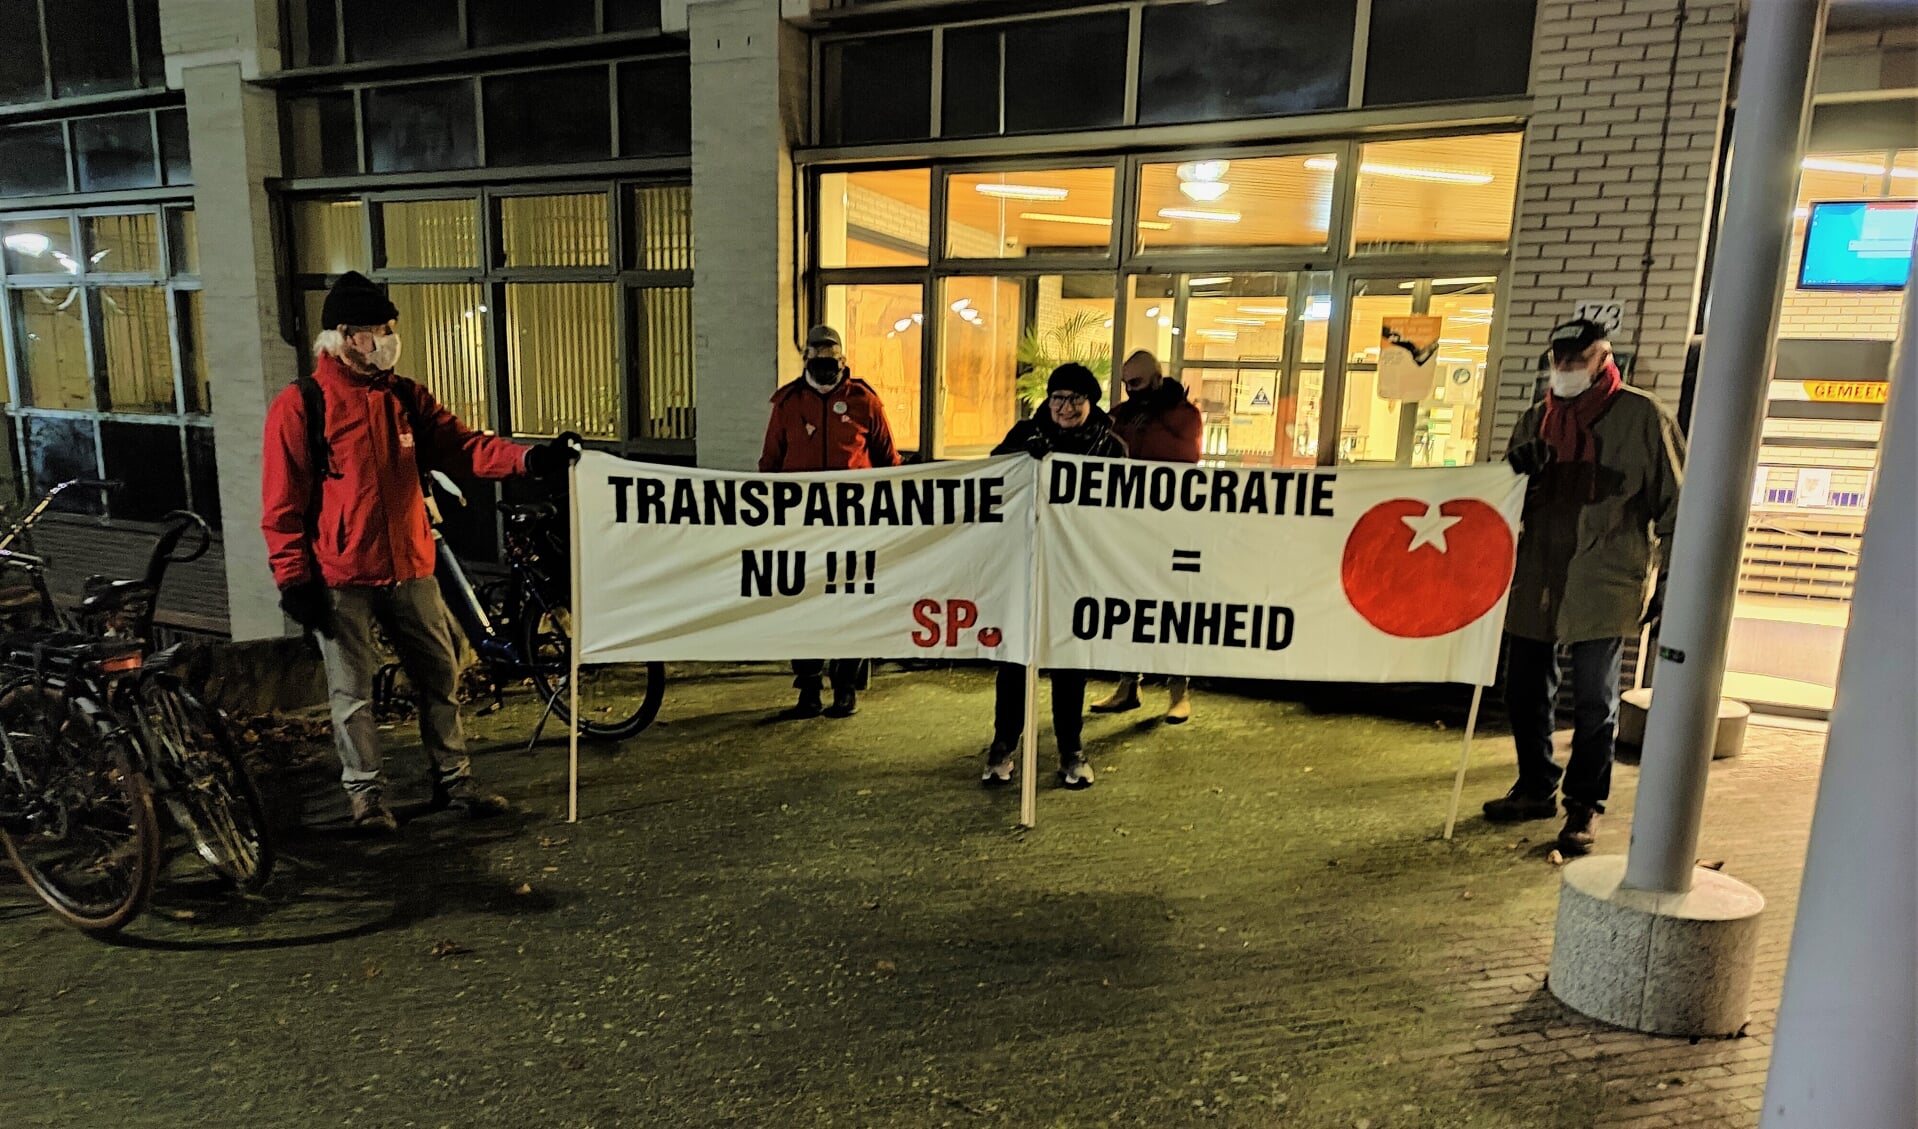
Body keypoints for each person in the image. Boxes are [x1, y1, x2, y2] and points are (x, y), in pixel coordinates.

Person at [262, 271, 575, 834]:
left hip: (410, 564)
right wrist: (293, 579)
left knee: (440, 676)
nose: (387, 337)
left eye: (388, 327)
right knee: (353, 693)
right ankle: (366, 797)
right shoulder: (302, 405)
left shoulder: (403, 397)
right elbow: (282, 502)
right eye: (376, 329)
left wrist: (529, 461)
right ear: (344, 334)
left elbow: (464, 446)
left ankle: (454, 779)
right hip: (341, 577)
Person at [1484, 318, 1684, 856]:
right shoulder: (1534, 421)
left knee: (1595, 701)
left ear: (1603, 358)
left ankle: (1584, 804)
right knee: (1524, 690)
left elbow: (1677, 505)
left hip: (1605, 577)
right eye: (1560, 359)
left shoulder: (1643, 418)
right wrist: (1513, 475)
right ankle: (1534, 785)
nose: (1567, 369)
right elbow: (1503, 507)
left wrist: (1673, 582)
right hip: (1537, 576)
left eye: (1578, 358)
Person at [982, 364, 1128, 791]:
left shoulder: (1110, 448)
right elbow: (991, 483)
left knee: (1070, 663)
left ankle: (1071, 749)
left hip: (1078, 569)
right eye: (1057, 398)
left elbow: (1125, 510)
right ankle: (1003, 745)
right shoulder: (1023, 435)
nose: (1064, 407)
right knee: (1014, 661)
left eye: (1075, 399)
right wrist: (1014, 458)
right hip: (1025, 564)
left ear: (1091, 403)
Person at [759, 324, 902, 720]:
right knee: (801, 604)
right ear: (805, 360)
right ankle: (807, 687)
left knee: (851, 604)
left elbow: (889, 463)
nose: (824, 366)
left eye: (831, 360)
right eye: (816, 359)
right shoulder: (788, 403)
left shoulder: (864, 401)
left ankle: (844, 686)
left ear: (843, 360)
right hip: (799, 525)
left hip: (854, 525)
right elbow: (770, 463)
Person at [1092, 349, 1204, 723]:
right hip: (1130, 523)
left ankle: (1178, 691)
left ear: (1156, 379)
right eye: (1125, 384)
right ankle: (1128, 685)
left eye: (1135, 383)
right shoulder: (1124, 414)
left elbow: (1181, 454)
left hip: (1170, 524)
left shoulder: (1183, 415)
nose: (1129, 390)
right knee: (1128, 605)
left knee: (1172, 606)